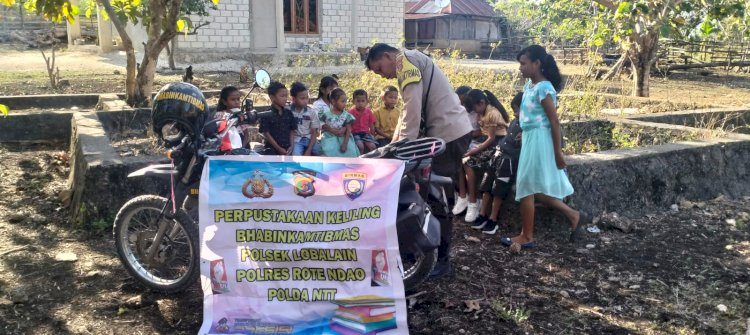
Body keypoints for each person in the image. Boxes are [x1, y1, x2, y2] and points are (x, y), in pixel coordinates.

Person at [366, 43, 473, 278]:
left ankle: (440, 259)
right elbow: (408, 113)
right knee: (429, 192)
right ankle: (427, 251)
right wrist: (393, 146)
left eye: (380, 68)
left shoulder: (405, 62)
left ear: (386, 55)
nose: (383, 75)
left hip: (449, 134)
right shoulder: (411, 60)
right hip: (448, 132)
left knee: (437, 194)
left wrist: (400, 148)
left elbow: (412, 107)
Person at [500, 45, 587, 250]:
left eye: (523, 63)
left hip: (541, 141)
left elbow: (553, 122)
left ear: (537, 64)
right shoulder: (529, 87)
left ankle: (527, 236)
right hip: (531, 138)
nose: (520, 68)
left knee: (526, 186)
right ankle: (573, 215)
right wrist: (526, 131)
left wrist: (557, 152)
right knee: (532, 188)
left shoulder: (544, 88)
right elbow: (532, 118)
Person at [472, 92, 524, 235]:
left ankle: (493, 219)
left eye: (518, 110)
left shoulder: (529, 128)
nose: (516, 114)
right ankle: (482, 214)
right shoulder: (515, 122)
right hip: (499, 154)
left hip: (510, 161)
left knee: (499, 188)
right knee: (487, 182)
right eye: (515, 111)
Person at [458, 89, 509, 223]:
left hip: (496, 143)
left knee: (468, 162)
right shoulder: (483, 112)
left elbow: (491, 138)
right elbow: (481, 133)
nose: (475, 111)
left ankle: (473, 201)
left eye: (475, 108)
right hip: (485, 140)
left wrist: (473, 151)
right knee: (460, 158)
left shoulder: (492, 113)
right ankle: (466, 198)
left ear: (481, 103)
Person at [319, 88, 360, 157]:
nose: (345, 104)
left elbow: (349, 129)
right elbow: (323, 126)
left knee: (350, 153)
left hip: (344, 138)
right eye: (342, 101)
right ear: (333, 102)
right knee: (328, 153)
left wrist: (345, 144)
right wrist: (331, 130)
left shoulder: (346, 115)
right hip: (329, 139)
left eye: (345, 101)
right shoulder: (325, 114)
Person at [259, 81, 296, 156]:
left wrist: (291, 146)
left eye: (286, 96)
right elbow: (266, 133)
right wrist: (278, 148)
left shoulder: (288, 113)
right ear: (272, 97)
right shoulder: (266, 114)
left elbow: (292, 130)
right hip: (272, 149)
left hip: (287, 148)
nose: (285, 99)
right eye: (282, 96)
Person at [288, 82, 321, 156]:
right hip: (296, 140)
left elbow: (314, 132)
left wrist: (309, 150)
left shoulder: (311, 112)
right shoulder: (288, 111)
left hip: (310, 139)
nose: (305, 100)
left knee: (321, 152)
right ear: (293, 99)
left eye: (307, 98)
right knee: (296, 155)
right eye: (302, 98)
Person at [348, 89, 378, 153]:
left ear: (367, 101)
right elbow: (348, 126)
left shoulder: (369, 112)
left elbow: (371, 125)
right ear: (353, 101)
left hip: (366, 134)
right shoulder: (351, 112)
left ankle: (371, 160)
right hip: (355, 133)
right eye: (358, 101)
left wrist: (372, 136)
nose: (360, 103)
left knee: (373, 146)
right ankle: (360, 159)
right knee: (360, 146)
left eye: (363, 101)